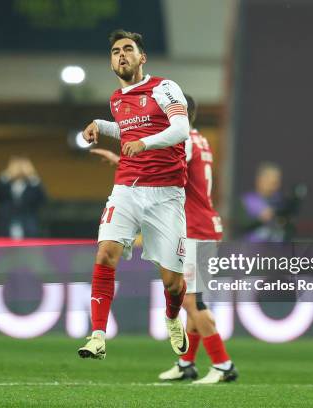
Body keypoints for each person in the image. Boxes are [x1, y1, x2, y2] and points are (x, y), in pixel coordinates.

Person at [91, 94, 238, 383]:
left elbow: (163, 174)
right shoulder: (201, 140)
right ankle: (187, 363)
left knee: (192, 301)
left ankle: (223, 364)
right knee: (192, 297)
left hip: (195, 228)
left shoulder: (184, 142)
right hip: (205, 224)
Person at [77, 29, 190, 360]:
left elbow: (180, 129)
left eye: (128, 49)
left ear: (142, 58)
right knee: (105, 254)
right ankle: (97, 335)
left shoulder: (164, 87)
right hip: (126, 188)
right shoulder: (116, 100)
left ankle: (171, 317)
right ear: (112, 62)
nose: (121, 55)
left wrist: (146, 143)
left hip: (166, 194)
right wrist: (100, 124)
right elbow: (128, 129)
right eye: (115, 51)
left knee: (172, 283)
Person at [0, 156, 47, 239]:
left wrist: (32, 175)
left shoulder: (33, 185)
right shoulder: (5, 184)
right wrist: (7, 175)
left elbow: (43, 199)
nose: (19, 169)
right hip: (4, 225)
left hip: (28, 226)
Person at [240, 162, 287, 242]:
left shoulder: (280, 200)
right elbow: (239, 226)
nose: (274, 185)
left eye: (276, 181)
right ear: (259, 180)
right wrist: (260, 219)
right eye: (269, 180)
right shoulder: (247, 200)